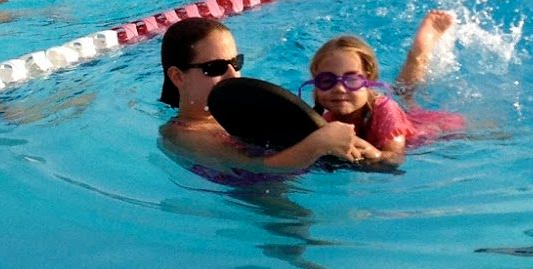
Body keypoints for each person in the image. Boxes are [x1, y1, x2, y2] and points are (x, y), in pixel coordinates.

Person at [157, 18, 373, 170]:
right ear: (178, 77)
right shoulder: (184, 135)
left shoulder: (241, 111)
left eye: (236, 62)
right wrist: (318, 144)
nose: (233, 74)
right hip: (255, 199)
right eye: (215, 68)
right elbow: (258, 167)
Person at [305, 10, 464, 163]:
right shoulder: (326, 119)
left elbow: (396, 158)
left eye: (352, 79)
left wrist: (377, 155)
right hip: (399, 114)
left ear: (369, 79)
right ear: (316, 85)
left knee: (404, 94)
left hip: (436, 130)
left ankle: (419, 52)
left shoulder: (385, 110)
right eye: (326, 81)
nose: (339, 88)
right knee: (403, 93)